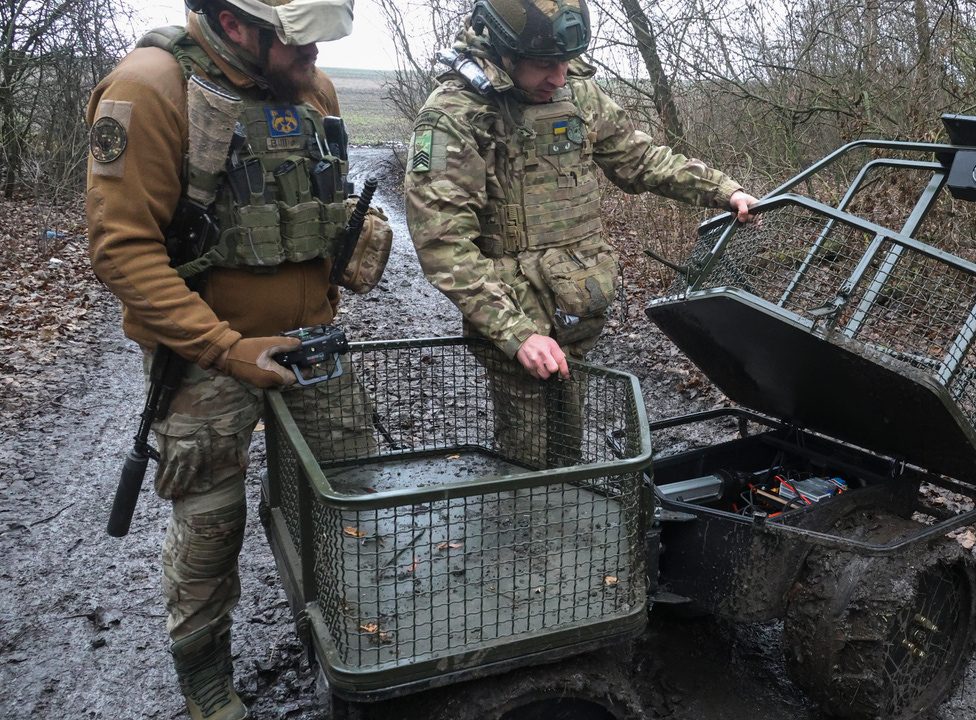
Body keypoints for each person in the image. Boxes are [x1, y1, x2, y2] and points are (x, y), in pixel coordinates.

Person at [85, 1, 390, 718]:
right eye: (297, 44)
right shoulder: (151, 86)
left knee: (348, 499)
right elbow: (121, 249)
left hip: (314, 347)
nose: (314, 61)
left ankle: (345, 638)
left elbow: (320, 196)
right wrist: (225, 347)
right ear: (230, 22)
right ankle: (206, 683)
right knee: (210, 527)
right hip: (205, 358)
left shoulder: (307, 86)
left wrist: (354, 232)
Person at [405, 0, 757, 465]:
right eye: (544, 65)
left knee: (568, 432)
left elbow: (641, 158)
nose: (559, 76)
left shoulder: (578, 95)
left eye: (565, 62)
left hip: (578, 298)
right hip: (514, 309)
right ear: (504, 55)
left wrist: (722, 190)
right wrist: (516, 334)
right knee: (528, 449)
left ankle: (562, 508)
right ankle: (526, 526)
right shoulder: (457, 115)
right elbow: (443, 242)